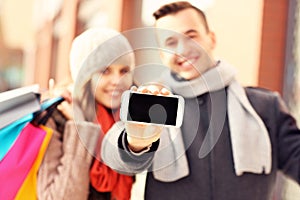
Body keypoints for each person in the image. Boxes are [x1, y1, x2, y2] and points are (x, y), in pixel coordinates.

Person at [101, 1, 300, 200]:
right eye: (171, 42)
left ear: (211, 39)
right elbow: (112, 154)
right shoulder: (155, 104)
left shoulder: (264, 106)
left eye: (191, 36)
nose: (182, 49)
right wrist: (135, 141)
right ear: (162, 55)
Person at [37, 27, 135, 200]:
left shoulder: (125, 121)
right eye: (105, 71)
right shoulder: (56, 117)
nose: (117, 81)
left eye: (124, 71)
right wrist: (79, 129)